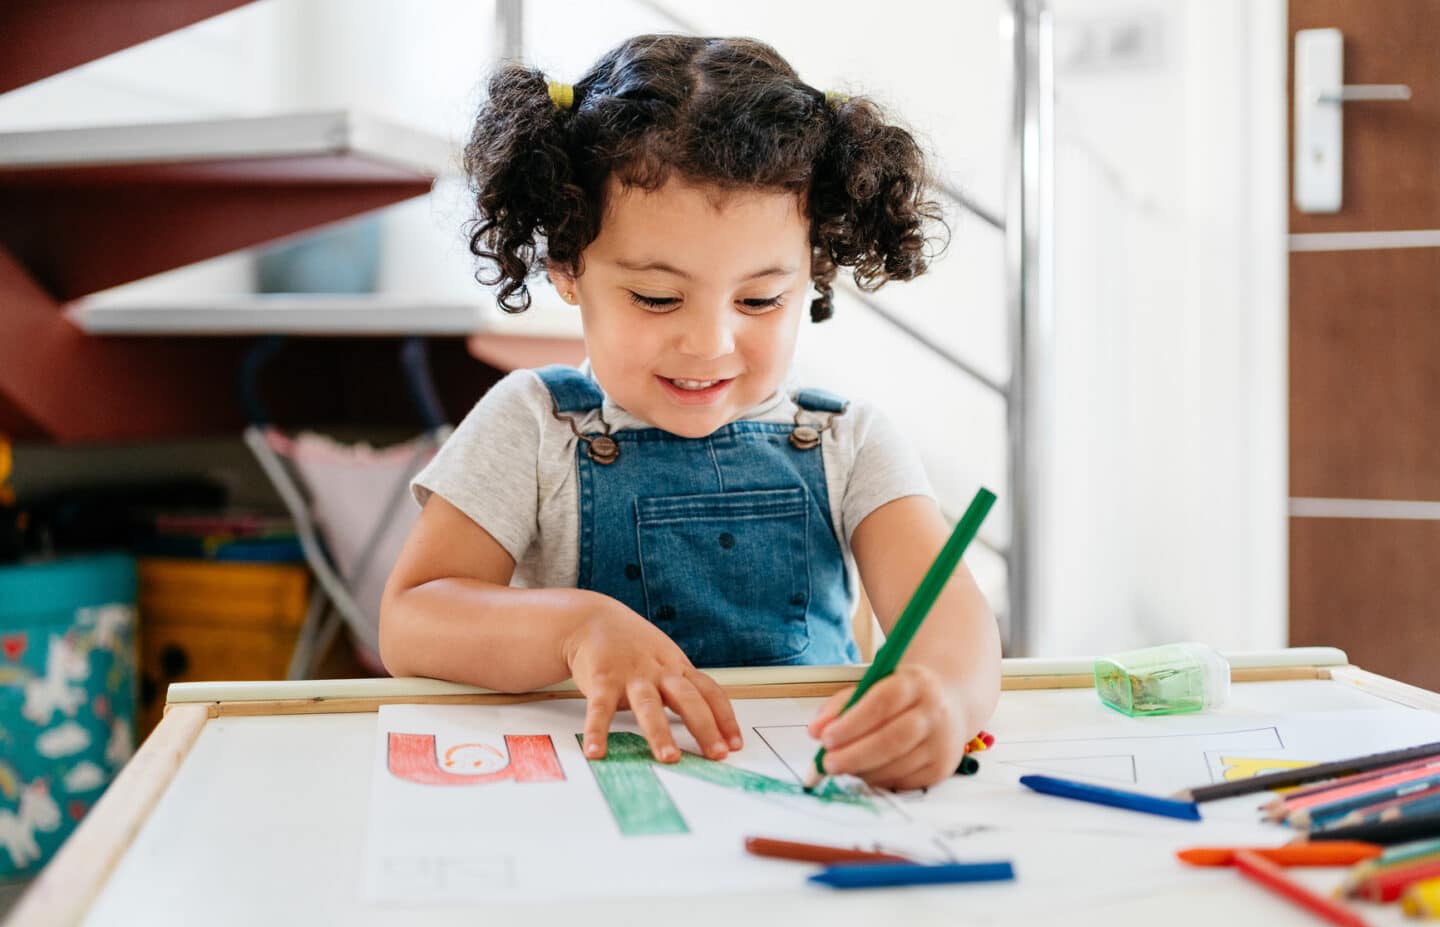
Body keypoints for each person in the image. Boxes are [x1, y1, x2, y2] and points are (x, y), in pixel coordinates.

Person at [380, 34, 1000, 791]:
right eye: (657, 297)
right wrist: (575, 628)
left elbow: (957, 628)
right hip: (601, 791)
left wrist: (941, 698)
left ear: (814, 267)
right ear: (568, 268)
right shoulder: (535, 424)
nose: (709, 344)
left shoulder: (850, 441)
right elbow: (410, 622)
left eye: (760, 299)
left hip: (806, 793)